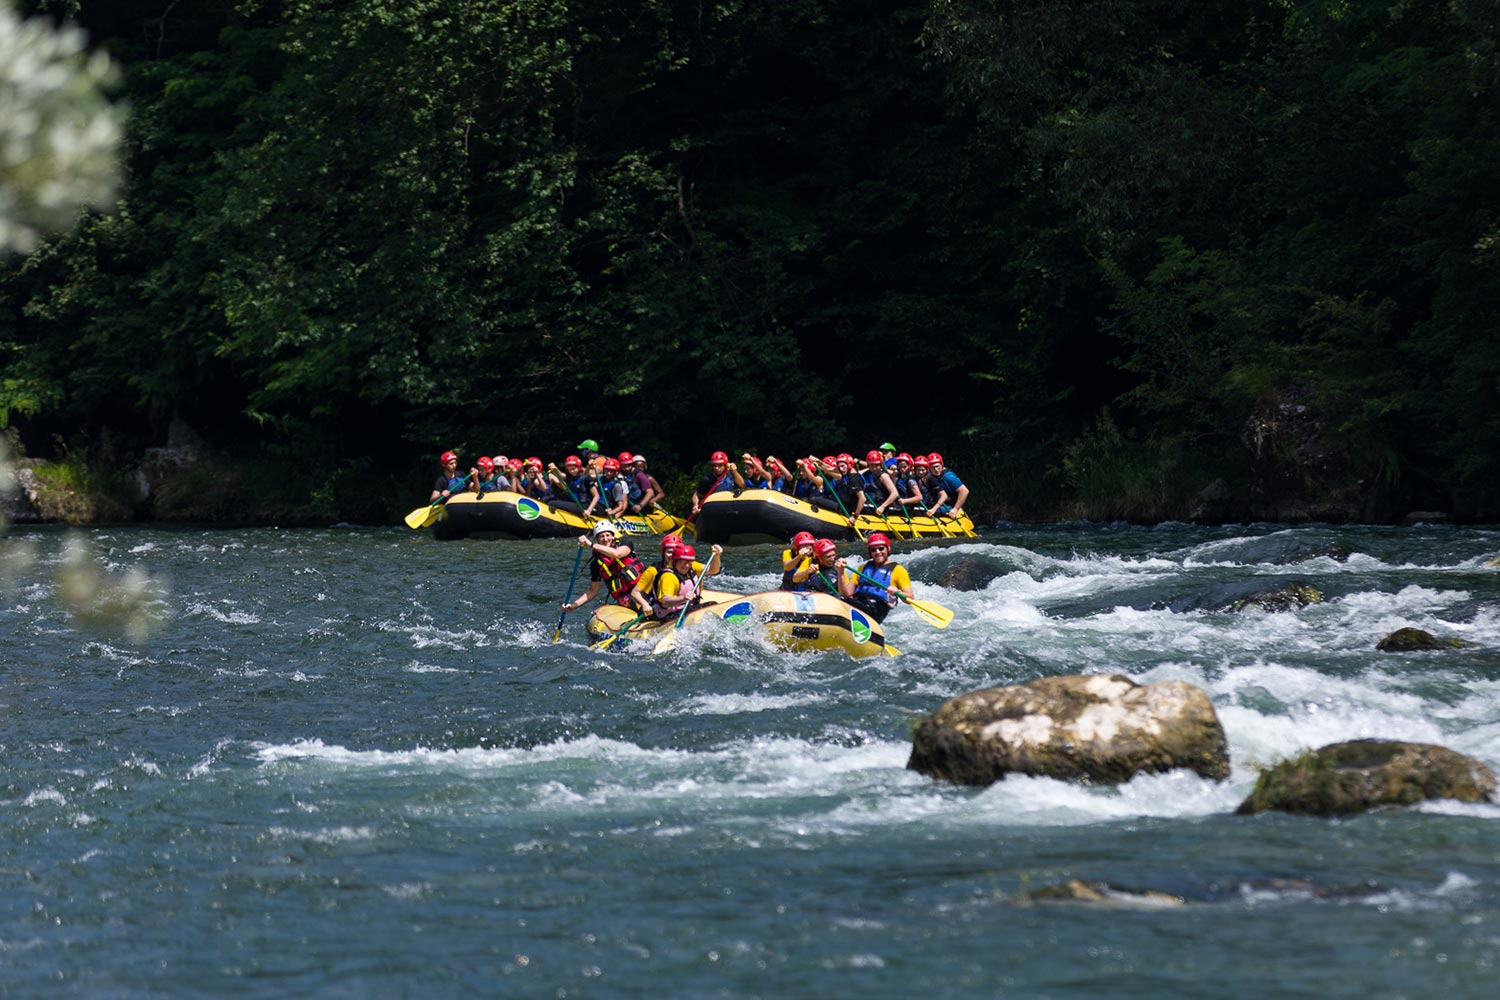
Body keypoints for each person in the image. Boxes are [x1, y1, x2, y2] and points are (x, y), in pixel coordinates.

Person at [560, 521, 648, 612]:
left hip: (643, 585)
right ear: (597, 539)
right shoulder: (596, 564)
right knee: (630, 602)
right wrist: (573, 605)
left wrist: (591, 545)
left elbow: (617, 554)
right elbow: (593, 591)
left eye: (608, 535)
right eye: (601, 536)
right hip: (625, 596)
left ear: (612, 536)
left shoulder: (625, 543)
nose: (605, 539)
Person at [632, 542, 724, 620]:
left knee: (713, 606)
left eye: (689, 562)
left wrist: (717, 556)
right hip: (668, 615)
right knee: (712, 605)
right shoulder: (668, 576)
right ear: (675, 561)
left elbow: (713, 570)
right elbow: (665, 601)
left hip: (685, 608)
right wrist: (683, 598)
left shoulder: (691, 567)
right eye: (683, 561)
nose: (687, 565)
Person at [848, 532, 913, 623]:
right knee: (839, 598)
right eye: (873, 550)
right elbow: (847, 593)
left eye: (881, 548)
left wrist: (897, 591)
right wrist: (840, 572)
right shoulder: (863, 568)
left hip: (877, 609)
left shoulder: (898, 570)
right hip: (859, 603)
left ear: (888, 549)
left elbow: (910, 598)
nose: (878, 552)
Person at [789, 538, 855, 597]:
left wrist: (840, 573)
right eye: (828, 557)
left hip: (833, 599)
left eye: (833, 555)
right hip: (814, 596)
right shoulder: (809, 562)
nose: (832, 559)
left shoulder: (839, 565)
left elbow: (845, 593)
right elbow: (795, 579)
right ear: (818, 558)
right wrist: (807, 571)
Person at [690, 451, 744, 515]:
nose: (716, 468)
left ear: (725, 465)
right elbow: (696, 494)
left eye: (720, 465)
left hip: (730, 508)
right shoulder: (708, 479)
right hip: (715, 510)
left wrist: (735, 471)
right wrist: (695, 505)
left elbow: (742, 484)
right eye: (714, 466)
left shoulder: (731, 474)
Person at [927, 453, 969, 518]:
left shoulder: (948, 477)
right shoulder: (930, 475)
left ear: (942, 465)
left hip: (950, 506)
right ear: (929, 468)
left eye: (938, 466)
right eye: (933, 467)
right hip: (941, 503)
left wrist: (955, 509)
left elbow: (964, 491)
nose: (936, 469)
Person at [862, 449, 900, 519]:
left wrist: (883, 506)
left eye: (876, 465)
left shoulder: (883, 476)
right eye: (871, 465)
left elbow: (895, 493)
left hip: (880, 506)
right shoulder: (867, 473)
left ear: (880, 464)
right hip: (871, 503)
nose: (874, 468)